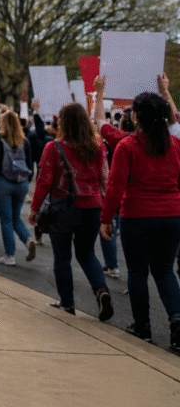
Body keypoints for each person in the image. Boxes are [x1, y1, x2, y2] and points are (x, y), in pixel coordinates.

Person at [100, 90, 180, 345]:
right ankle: (177, 318)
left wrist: (106, 218)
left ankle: (143, 325)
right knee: (165, 270)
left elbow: (115, 186)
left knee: (137, 271)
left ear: (136, 117)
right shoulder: (175, 145)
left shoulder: (128, 146)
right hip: (171, 214)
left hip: (136, 215)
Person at [28, 102, 113, 320]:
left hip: (63, 208)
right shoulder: (98, 146)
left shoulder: (54, 147)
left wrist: (34, 209)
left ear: (62, 123)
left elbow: (44, 181)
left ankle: (67, 302)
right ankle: (101, 290)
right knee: (86, 253)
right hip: (93, 206)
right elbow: (106, 179)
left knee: (62, 257)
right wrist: (109, 211)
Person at [0, 110, 35, 266]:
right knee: (15, 216)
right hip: (21, 183)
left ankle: (10, 255)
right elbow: (30, 167)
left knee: (6, 220)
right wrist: (24, 180)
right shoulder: (25, 142)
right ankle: (28, 240)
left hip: (1, 182)